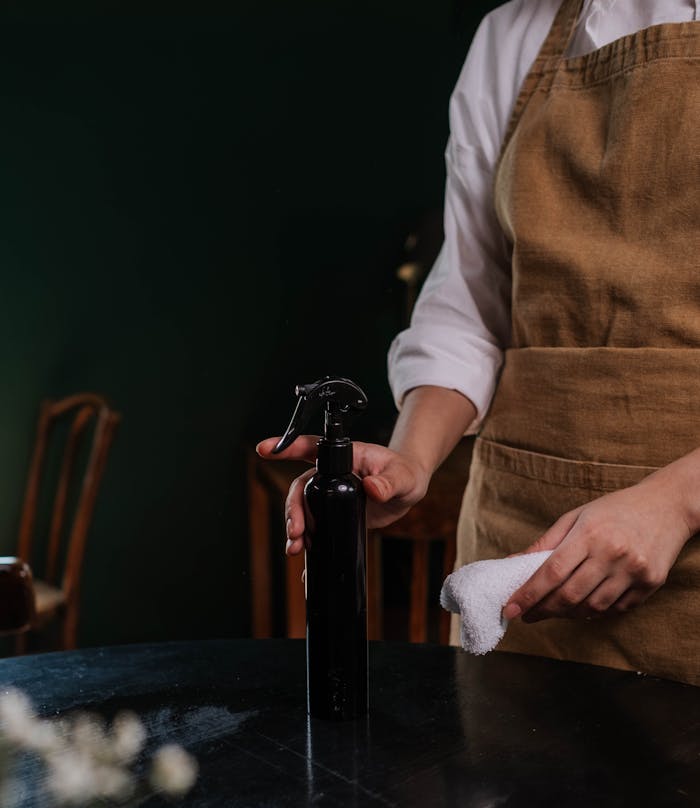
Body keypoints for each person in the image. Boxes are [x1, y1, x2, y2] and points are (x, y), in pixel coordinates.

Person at [258, 0, 700, 685]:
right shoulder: (512, 35)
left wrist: (677, 500)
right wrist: (409, 461)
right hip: (520, 556)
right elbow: (470, 300)